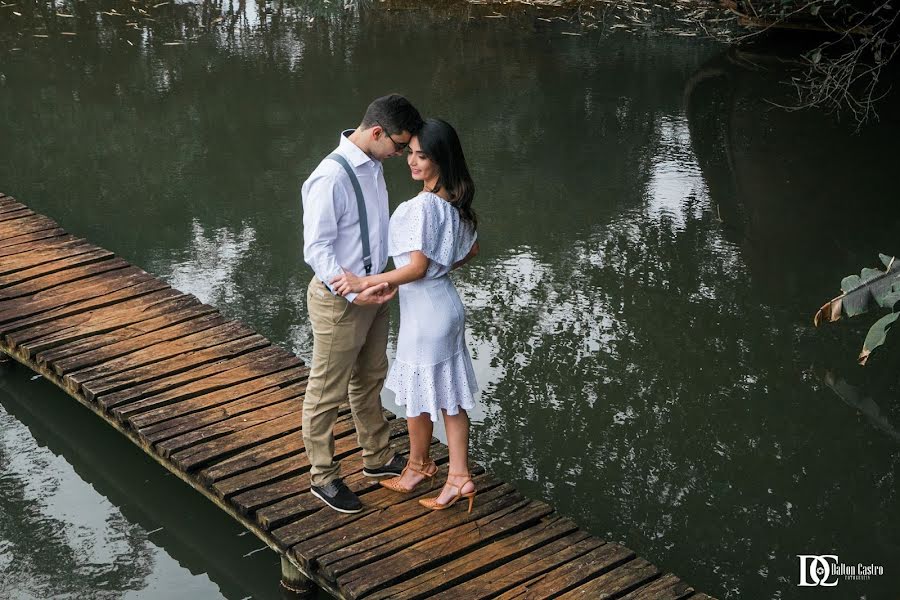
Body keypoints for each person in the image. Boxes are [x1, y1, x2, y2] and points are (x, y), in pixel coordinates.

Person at [332, 118, 480, 513]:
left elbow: (415, 266)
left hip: (426, 317)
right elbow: (469, 252)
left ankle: (420, 467)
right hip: (444, 304)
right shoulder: (456, 202)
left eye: (422, 156)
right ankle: (458, 476)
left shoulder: (422, 206)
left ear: (441, 160)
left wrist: (365, 282)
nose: (412, 162)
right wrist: (431, 274)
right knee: (450, 396)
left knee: (419, 398)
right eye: (410, 153)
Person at [301, 94, 424, 514]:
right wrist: (354, 291)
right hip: (340, 300)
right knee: (326, 391)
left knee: (370, 377)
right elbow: (316, 250)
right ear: (377, 133)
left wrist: (383, 280)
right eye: (399, 145)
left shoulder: (373, 167)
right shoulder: (330, 177)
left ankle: (377, 458)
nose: (401, 154)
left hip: (376, 291)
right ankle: (322, 476)